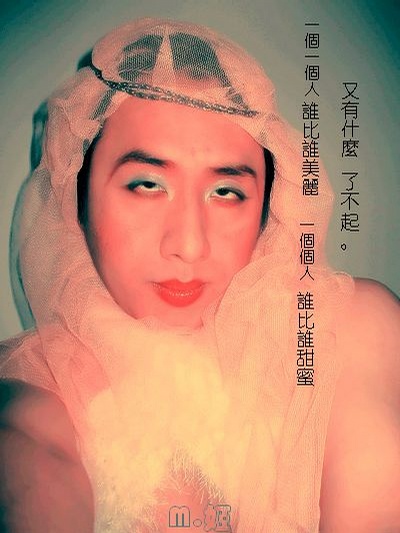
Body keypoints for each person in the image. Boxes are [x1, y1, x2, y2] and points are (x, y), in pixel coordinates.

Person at [0, 17, 399, 533]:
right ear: (78, 200)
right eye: (146, 185)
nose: (189, 245)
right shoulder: (36, 401)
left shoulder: (342, 329)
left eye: (226, 192)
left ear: (267, 210)